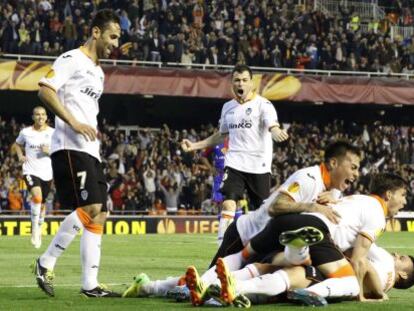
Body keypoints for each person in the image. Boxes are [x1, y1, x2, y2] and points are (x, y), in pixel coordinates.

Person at [123, 141, 361, 303]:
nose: (357, 173)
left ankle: (159, 287)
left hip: (265, 241)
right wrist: (312, 206)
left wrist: (336, 196)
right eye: (353, 167)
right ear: (333, 163)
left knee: (222, 283)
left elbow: (336, 199)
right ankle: (149, 286)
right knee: (202, 284)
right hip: (245, 234)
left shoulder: (328, 187)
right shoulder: (309, 178)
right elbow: (278, 206)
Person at [32, 9, 121, 298]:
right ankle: (45, 262)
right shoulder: (71, 59)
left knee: (100, 215)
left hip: (89, 150)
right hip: (69, 146)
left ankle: (89, 285)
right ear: (96, 33)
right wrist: (74, 122)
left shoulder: (99, 72)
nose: (115, 44)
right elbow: (45, 90)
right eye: (112, 36)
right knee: (91, 209)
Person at [181, 64, 289, 244]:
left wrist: (276, 130)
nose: (241, 84)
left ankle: (265, 245)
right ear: (232, 83)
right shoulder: (227, 108)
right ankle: (222, 244)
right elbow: (221, 135)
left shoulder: (263, 105)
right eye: (237, 80)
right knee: (229, 202)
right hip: (235, 163)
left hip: (258, 166)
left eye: (245, 80)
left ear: (251, 83)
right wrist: (195, 146)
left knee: (261, 212)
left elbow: (272, 124)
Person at [211, 242, 414, 307]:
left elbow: (362, 241)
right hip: (339, 282)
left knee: (281, 271)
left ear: (403, 275)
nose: (397, 254)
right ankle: (224, 291)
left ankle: (225, 287)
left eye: (402, 258)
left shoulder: (386, 261)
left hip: (333, 272)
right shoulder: (384, 284)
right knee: (278, 280)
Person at [12, 106, 54, 249]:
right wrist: (20, 155)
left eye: (42, 114)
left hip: (47, 173)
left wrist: (49, 151)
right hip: (30, 170)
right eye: (37, 114)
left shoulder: (53, 133)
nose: (40, 117)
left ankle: (40, 227)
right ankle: (34, 230)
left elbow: (60, 152)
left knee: (42, 204)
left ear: (46, 117)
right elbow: (17, 144)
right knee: (37, 197)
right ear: (33, 117)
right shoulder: (26, 132)